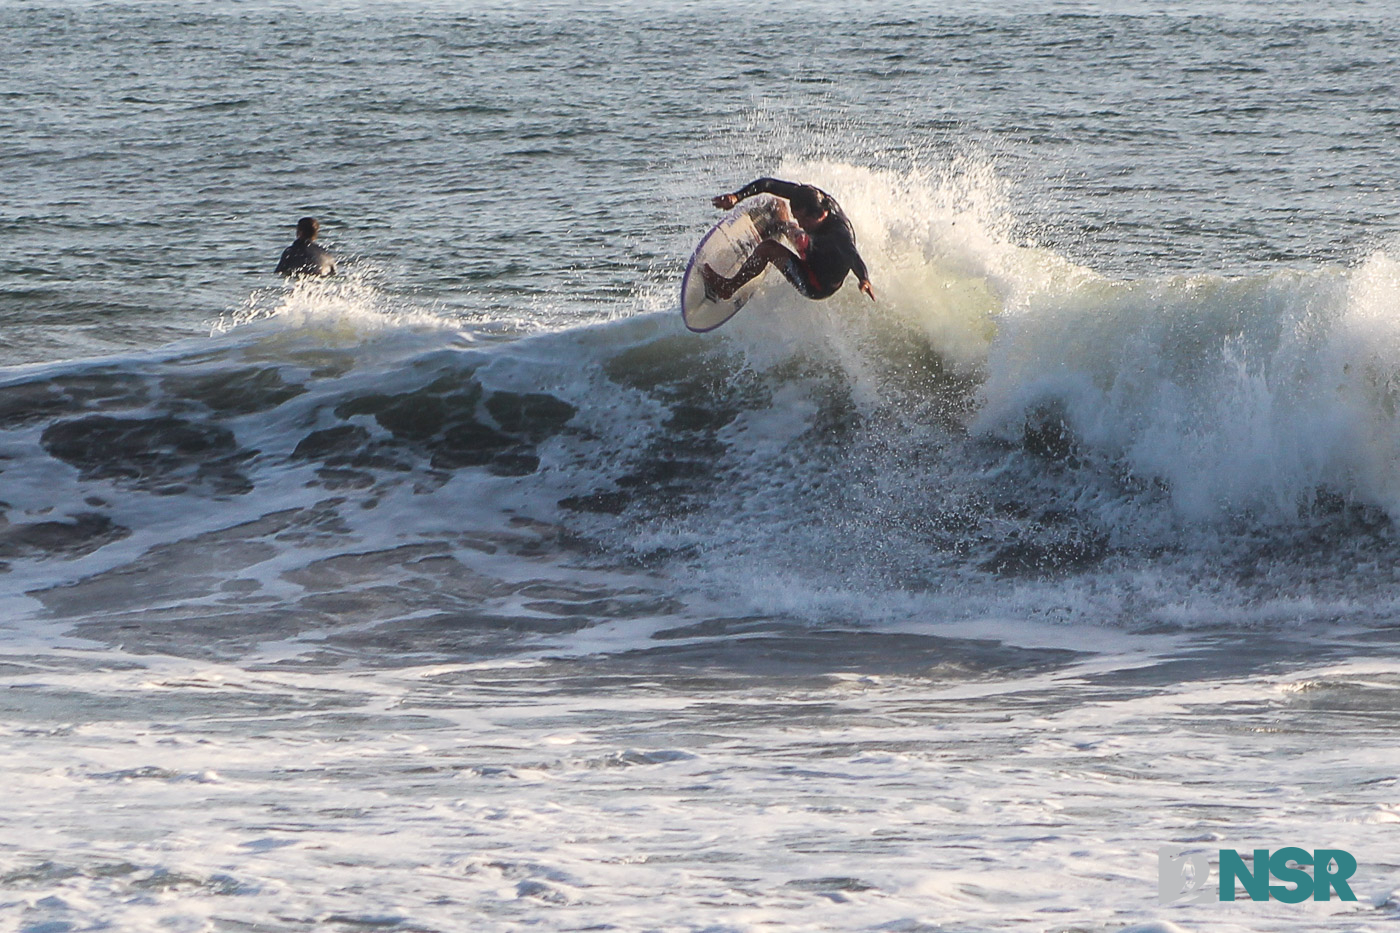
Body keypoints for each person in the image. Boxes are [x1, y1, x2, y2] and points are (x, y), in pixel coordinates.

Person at [702, 178, 874, 303]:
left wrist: (863, 279)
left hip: (816, 282)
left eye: (803, 220)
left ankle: (728, 287)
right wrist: (737, 196)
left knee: (769, 248)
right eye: (797, 218)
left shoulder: (839, 234)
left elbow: (853, 256)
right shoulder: (809, 196)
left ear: (820, 215)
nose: (799, 223)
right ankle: (766, 236)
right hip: (813, 250)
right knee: (778, 205)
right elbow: (767, 185)